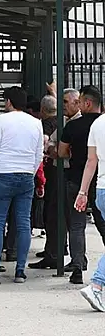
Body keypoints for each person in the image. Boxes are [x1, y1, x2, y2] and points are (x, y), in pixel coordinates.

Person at [0, 87, 43, 284]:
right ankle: (20, 271)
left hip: (3, 173)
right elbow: (39, 154)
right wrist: (30, 173)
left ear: (9, 102)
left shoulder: (2, 120)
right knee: (24, 223)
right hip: (26, 175)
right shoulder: (36, 123)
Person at [58, 86, 105, 284]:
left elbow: (61, 152)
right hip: (100, 181)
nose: (77, 105)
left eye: (80, 101)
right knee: (102, 224)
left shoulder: (73, 126)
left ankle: (77, 267)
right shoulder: (101, 124)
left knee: (76, 225)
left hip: (77, 181)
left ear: (87, 103)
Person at [33, 88, 80, 266]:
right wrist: (57, 150)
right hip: (58, 172)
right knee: (53, 214)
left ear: (77, 102)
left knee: (69, 218)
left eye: (65, 102)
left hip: (69, 173)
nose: (62, 106)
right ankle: (54, 253)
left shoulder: (78, 123)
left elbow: (66, 152)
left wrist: (58, 150)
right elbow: (51, 146)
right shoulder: (63, 121)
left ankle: (71, 258)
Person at [75, 110, 105, 311]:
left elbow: (91, 161)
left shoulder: (97, 124)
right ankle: (97, 284)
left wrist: (83, 191)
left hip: (101, 189)